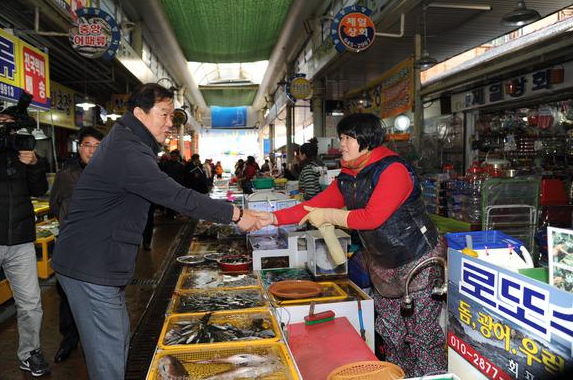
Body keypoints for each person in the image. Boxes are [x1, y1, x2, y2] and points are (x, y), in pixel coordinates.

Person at [50, 83, 263, 380]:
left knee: (117, 337)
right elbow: (176, 196)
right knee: (108, 352)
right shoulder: (127, 150)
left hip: (96, 260)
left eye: (172, 115)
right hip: (90, 264)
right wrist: (235, 215)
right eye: (163, 114)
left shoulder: (131, 144)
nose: (169, 123)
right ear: (139, 113)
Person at [256, 113, 446, 377]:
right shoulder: (349, 175)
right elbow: (316, 205)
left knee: (422, 336)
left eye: (347, 138)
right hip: (382, 265)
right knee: (391, 333)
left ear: (366, 140)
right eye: (342, 137)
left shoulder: (393, 170)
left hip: (418, 260)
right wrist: (273, 218)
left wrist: (331, 217)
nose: (341, 144)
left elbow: (372, 217)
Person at [0, 102, 51, 376]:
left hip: (20, 242)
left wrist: (33, 165)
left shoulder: (23, 153)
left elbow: (41, 190)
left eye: (10, 126)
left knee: (31, 304)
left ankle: (30, 353)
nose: (5, 131)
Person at [49, 126, 103, 363]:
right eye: (87, 145)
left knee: (99, 296)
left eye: (97, 146)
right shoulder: (66, 175)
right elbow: (53, 206)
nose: (91, 151)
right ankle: (69, 339)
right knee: (69, 296)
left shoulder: (110, 174)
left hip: (99, 246)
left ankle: (97, 342)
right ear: (79, 147)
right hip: (71, 246)